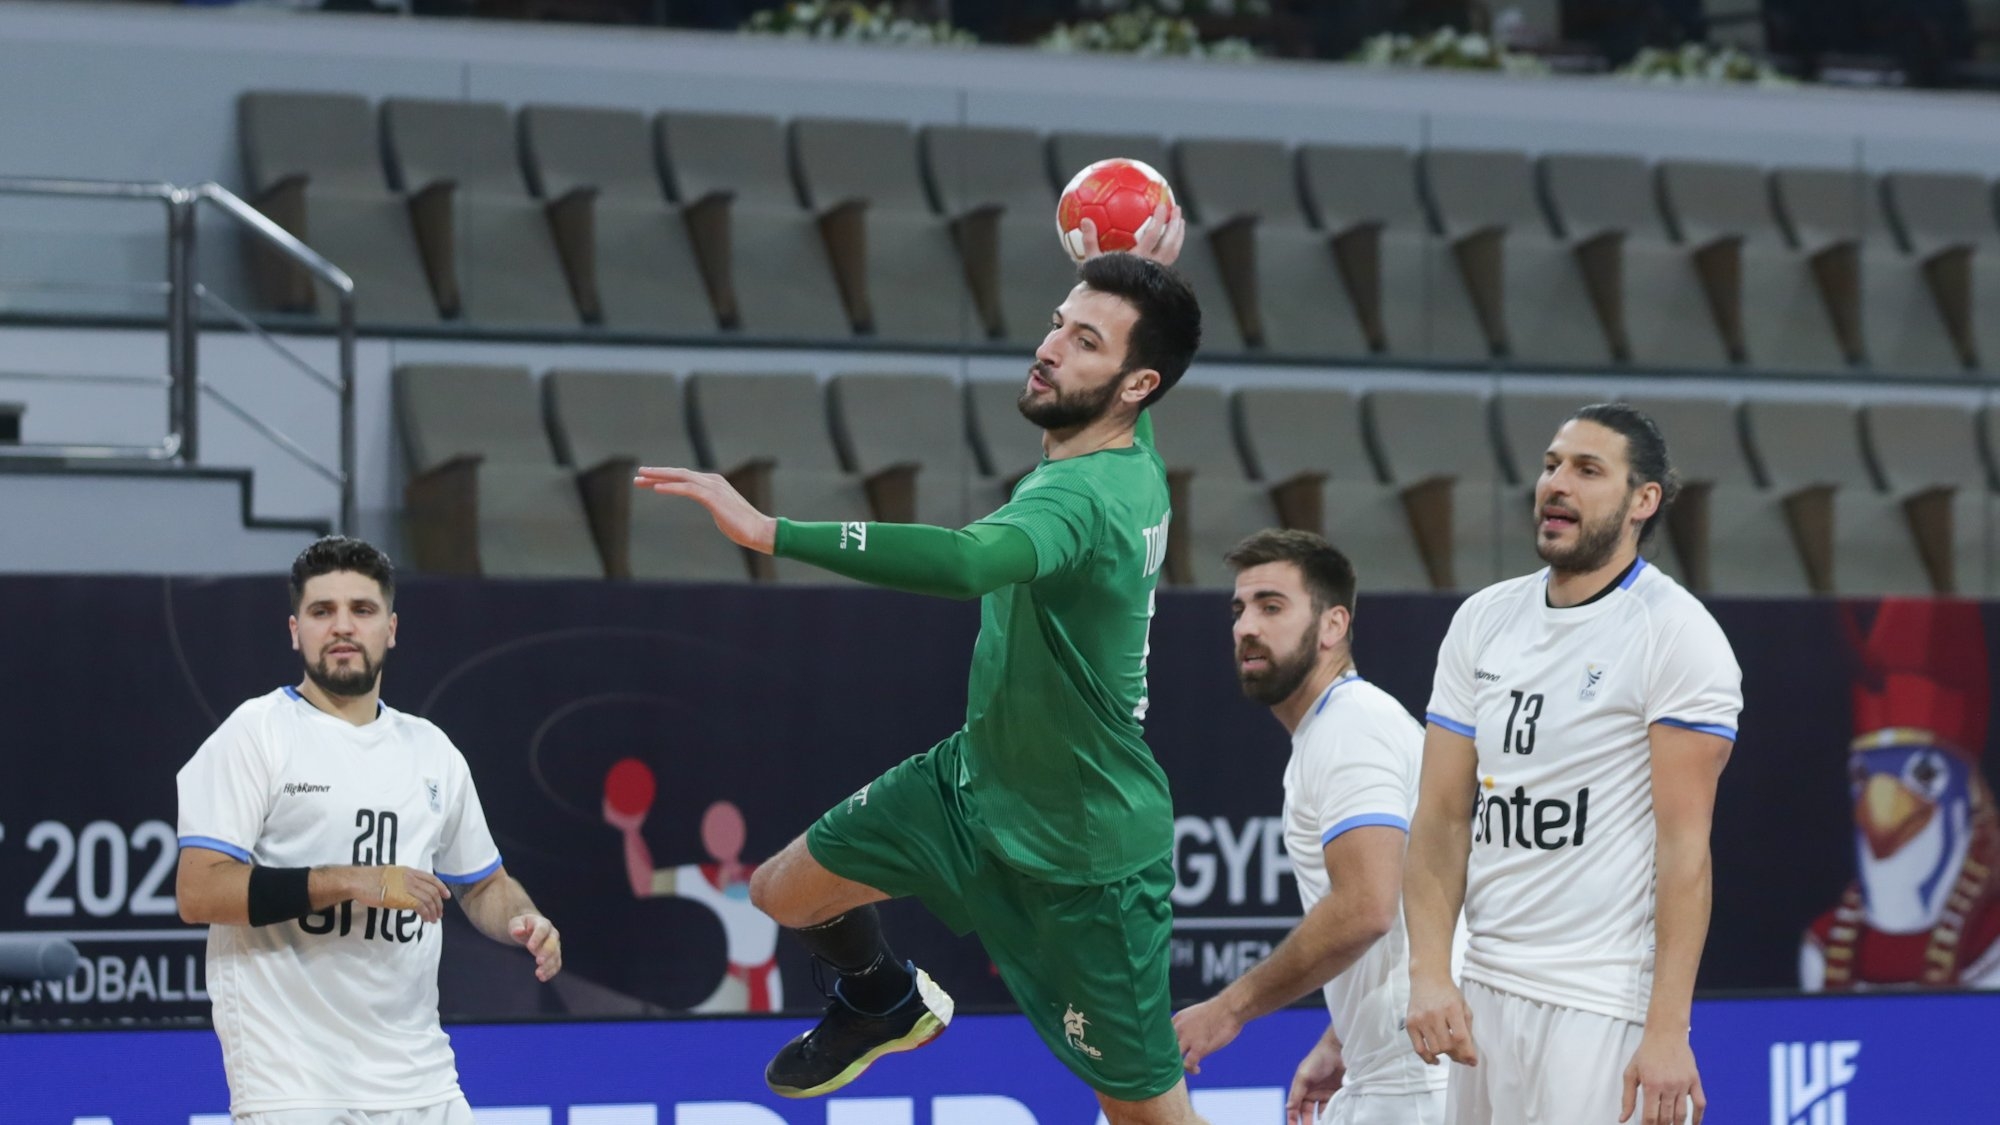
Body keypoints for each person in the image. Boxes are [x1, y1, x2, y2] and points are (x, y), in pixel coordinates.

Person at [636, 213, 1213, 1124]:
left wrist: (769, 531)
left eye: (1084, 339)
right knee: (785, 890)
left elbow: (963, 563)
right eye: (1060, 322)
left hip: (1087, 853)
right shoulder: (1124, 439)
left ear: (1138, 383)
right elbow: (1146, 340)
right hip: (976, 780)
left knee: (1146, 1116)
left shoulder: (1085, 499)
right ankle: (881, 997)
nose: (1050, 346)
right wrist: (1138, 273)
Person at [1402, 404, 1743, 1125]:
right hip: (1485, 989)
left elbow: (1686, 850)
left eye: (1588, 470)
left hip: (1602, 1002)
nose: (1557, 483)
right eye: (1552, 464)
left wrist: (1667, 1031)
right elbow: (1439, 816)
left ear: (1641, 501)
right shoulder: (1483, 620)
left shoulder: (1676, 635)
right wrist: (1431, 970)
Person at [175, 535, 562, 1123]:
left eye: (362, 609)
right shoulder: (256, 734)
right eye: (321, 611)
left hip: (420, 1075)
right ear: (294, 629)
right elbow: (199, 890)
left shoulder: (432, 750)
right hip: (295, 1082)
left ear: (392, 627)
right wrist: (356, 881)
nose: (342, 627)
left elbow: (483, 884)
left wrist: (524, 920)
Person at [1173, 529, 1451, 1125]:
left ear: (1332, 626)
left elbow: (1366, 907)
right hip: (1407, 1064)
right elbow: (1413, 904)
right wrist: (1345, 1037)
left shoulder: (1349, 728)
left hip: (1415, 1080)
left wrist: (1230, 1009)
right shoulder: (1347, 722)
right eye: (1240, 609)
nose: (1247, 626)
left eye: (1272, 607)